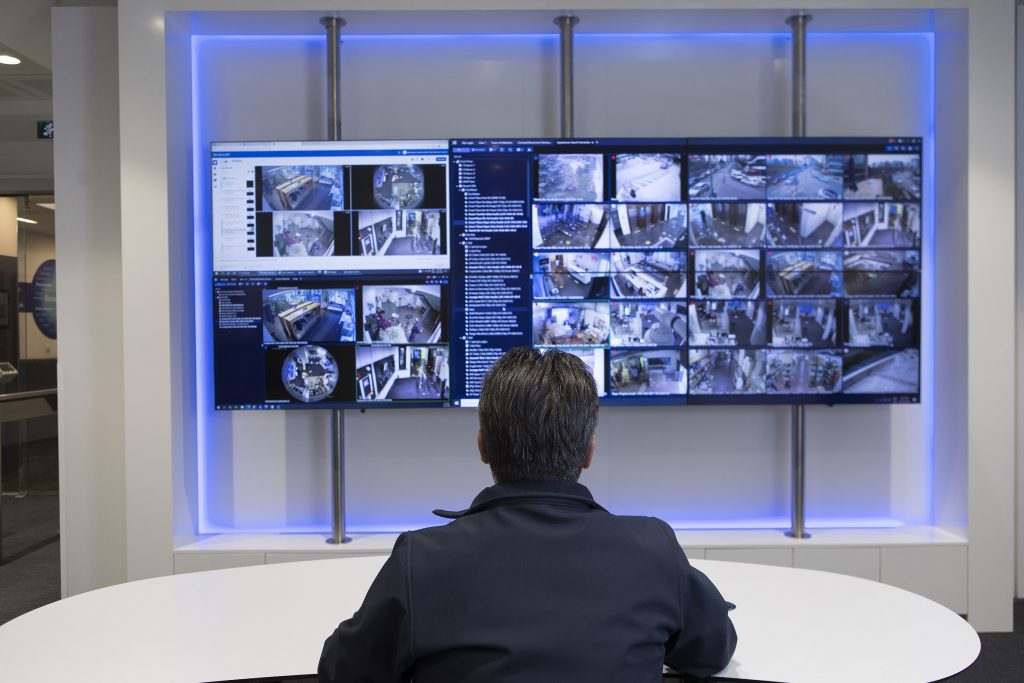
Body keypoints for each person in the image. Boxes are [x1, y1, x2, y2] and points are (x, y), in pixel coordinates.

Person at [318, 348, 737, 682]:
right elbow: (711, 650)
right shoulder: (652, 549)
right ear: (589, 452)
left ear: (483, 446)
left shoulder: (422, 559)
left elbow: (343, 670)